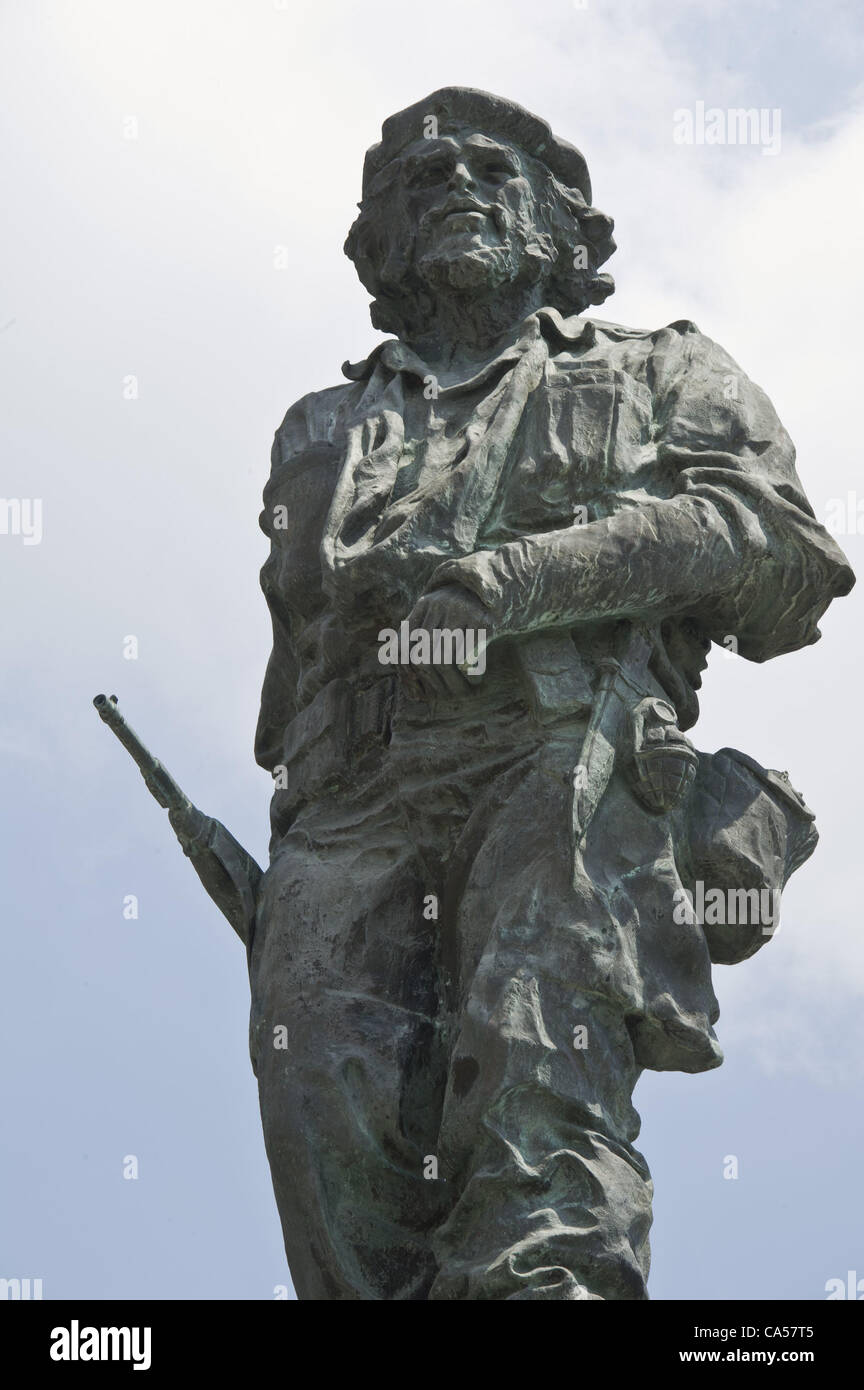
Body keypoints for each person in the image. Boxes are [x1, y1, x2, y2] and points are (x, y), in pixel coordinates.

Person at [248, 87, 854, 1300]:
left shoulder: (662, 371)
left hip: (561, 758)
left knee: (535, 1078)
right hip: (353, 799)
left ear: (561, 232)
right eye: (422, 185)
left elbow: (781, 551)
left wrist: (520, 580)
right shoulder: (322, 427)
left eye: (490, 170)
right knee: (323, 1094)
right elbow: (302, 648)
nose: (456, 190)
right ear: (382, 245)